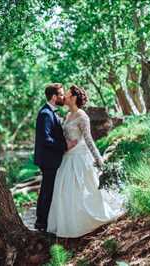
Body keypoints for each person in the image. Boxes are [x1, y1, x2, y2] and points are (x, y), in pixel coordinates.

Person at [47, 85, 125, 237]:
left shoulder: (83, 117)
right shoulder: (68, 115)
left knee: (86, 189)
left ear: (74, 98)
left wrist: (99, 160)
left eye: (67, 96)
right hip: (67, 158)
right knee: (66, 192)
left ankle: (89, 221)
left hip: (80, 158)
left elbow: (89, 140)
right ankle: (71, 224)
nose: (64, 98)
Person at [33, 83, 77, 232]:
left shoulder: (51, 112)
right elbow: (46, 139)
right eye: (61, 94)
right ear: (54, 97)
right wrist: (65, 146)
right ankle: (41, 224)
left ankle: (44, 222)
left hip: (52, 158)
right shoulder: (45, 113)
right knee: (47, 191)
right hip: (48, 160)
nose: (63, 97)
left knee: (49, 190)